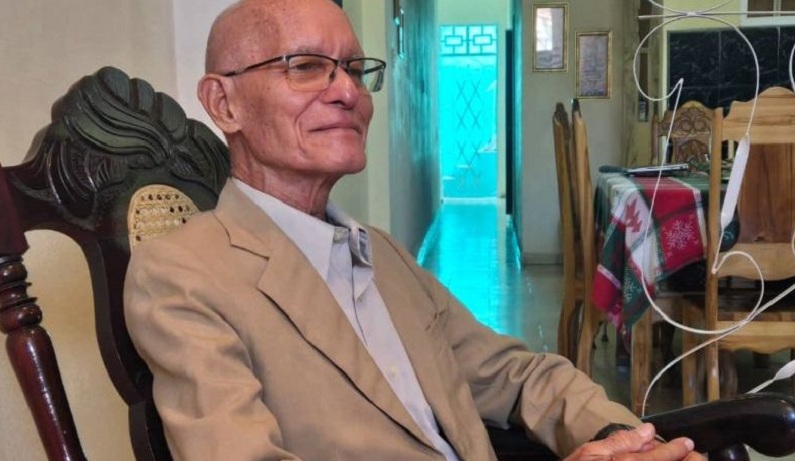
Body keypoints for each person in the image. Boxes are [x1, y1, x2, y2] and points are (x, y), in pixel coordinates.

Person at [123, 0, 703, 460]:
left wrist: (628, 441)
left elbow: (517, 374)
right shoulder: (182, 275)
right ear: (224, 103)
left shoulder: (381, 253)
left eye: (355, 69)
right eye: (305, 67)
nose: (348, 92)